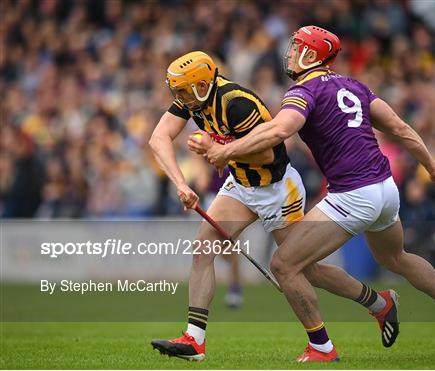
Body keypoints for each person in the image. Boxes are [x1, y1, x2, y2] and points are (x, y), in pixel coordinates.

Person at [202, 26, 435, 361]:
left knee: (284, 265)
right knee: (397, 258)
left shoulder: (301, 91)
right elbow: (399, 127)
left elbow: (279, 130)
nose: (289, 53)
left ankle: (321, 347)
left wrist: (226, 151)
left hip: (353, 196)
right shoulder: (355, 85)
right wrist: (432, 166)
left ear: (310, 55)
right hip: (385, 189)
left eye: (296, 48)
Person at [149, 51, 395, 361]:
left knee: (301, 268)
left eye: (183, 90)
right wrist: (181, 184)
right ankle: (194, 340)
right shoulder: (192, 101)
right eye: (177, 91)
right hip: (240, 185)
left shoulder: (237, 103)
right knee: (203, 248)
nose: (179, 97)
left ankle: (375, 306)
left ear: (201, 85)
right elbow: (158, 137)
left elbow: (267, 155)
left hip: (278, 189)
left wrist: (219, 148)